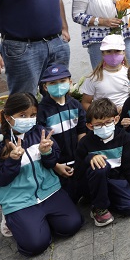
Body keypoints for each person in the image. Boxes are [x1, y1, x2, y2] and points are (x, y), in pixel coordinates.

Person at [0, 92, 82, 256]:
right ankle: (15, 220)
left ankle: (37, 222)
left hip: (49, 191)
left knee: (72, 225)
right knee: (36, 245)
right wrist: (12, 161)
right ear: (8, 117)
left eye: (33, 115)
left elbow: (51, 163)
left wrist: (47, 152)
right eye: (22, 115)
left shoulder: (41, 133)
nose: (29, 119)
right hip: (19, 200)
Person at [76, 98, 130, 227]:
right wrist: (91, 158)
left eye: (108, 122)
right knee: (101, 166)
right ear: (90, 125)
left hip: (115, 181)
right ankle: (98, 208)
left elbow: (129, 167)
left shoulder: (124, 138)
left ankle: (105, 200)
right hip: (95, 181)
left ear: (116, 120)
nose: (104, 127)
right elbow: (78, 171)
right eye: (98, 124)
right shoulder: (85, 142)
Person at [36, 64, 86, 202]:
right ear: (45, 87)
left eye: (62, 81)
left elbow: (82, 132)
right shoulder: (41, 111)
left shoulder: (76, 105)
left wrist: (82, 157)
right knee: (69, 198)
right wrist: (56, 166)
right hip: (55, 166)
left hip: (77, 160)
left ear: (70, 82)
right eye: (53, 83)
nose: (58, 85)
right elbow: (40, 143)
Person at [80, 34, 130, 113]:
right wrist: (101, 115)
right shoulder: (94, 77)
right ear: (103, 54)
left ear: (124, 53)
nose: (113, 55)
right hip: (104, 121)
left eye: (117, 51)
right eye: (108, 51)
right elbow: (86, 102)